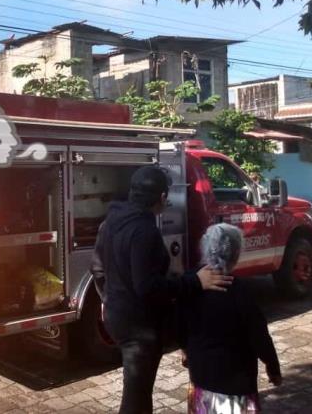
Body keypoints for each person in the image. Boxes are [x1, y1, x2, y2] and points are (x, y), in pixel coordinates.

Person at [91, 165, 232, 414]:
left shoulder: (110, 221)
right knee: (137, 395)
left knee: (136, 390)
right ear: (163, 198)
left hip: (117, 319)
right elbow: (148, 287)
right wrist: (196, 281)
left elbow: (97, 269)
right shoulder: (144, 231)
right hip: (139, 328)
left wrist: (110, 301)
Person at [179, 223, 282, 413]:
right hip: (236, 386)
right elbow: (259, 336)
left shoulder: (190, 283)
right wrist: (272, 366)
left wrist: (185, 349)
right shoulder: (240, 291)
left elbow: (178, 324)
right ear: (235, 254)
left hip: (201, 379)